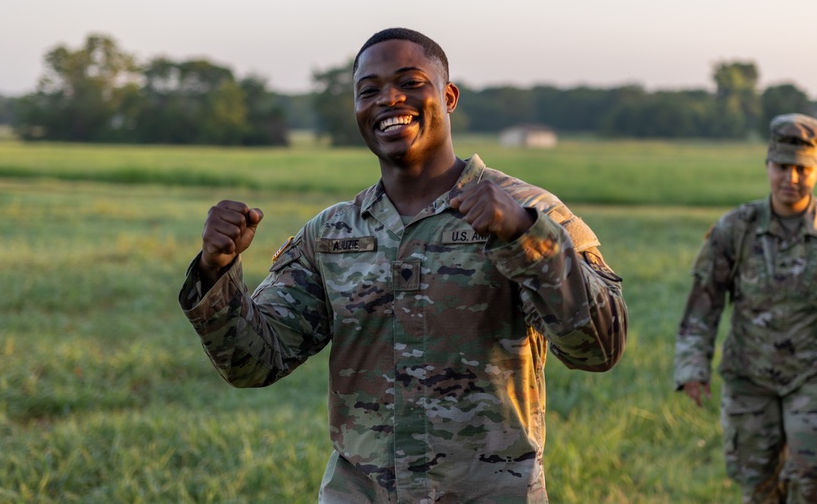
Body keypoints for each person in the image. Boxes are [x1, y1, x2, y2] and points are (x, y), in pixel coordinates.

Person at [177, 27, 628, 502]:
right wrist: (217, 268)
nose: (389, 99)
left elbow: (598, 348)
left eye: (410, 82)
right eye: (368, 90)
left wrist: (526, 236)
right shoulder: (331, 235)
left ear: (448, 96)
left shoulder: (530, 212)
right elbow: (255, 362)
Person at [673, 113, 817, 504]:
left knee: (813, 483)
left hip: (816, 375)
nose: (791, 178)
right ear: (768, 166)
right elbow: (704, 304)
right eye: (782, 167)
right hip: (749, 376)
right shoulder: (734, 229)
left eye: (801, 169)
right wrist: (693, 367)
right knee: (756, 484)